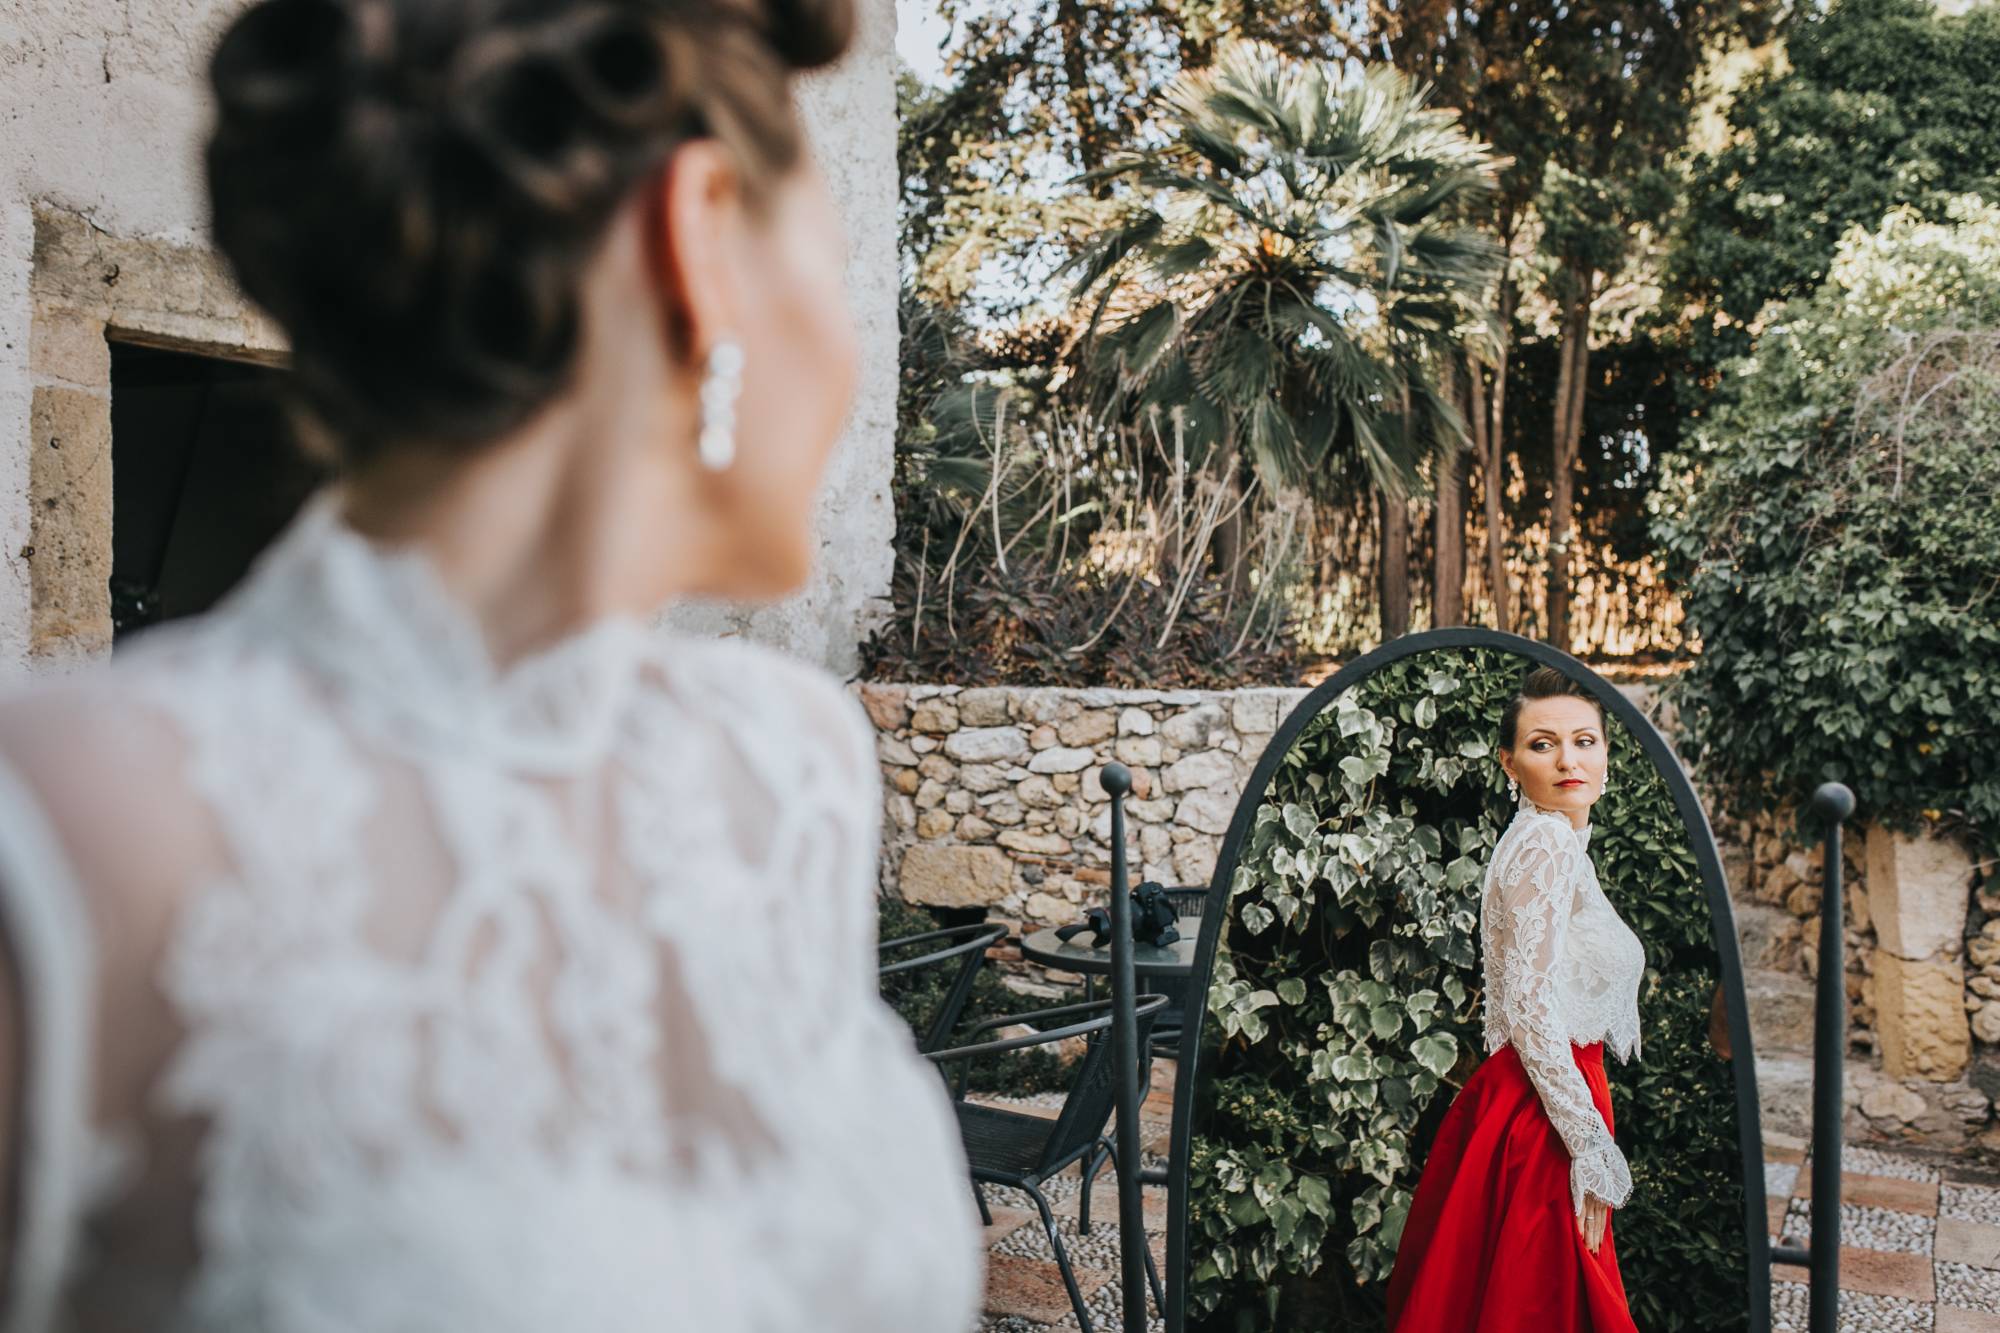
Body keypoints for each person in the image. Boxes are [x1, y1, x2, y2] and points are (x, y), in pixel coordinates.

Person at [0, 0, 984, 1328]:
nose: (853, 354)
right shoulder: (81, 829)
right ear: (699, 234)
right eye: (841, 261)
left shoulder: (789, 770)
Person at [1383, 665, 1645, 1333]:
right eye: (1542, 744)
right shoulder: (1547, 843)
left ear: (1605, 752)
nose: (1568, 761)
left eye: (1584, 741)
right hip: (1548, 1113)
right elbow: (1528, 1006)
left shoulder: (1551, 839)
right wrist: (1588, 1142)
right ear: (1509, 762)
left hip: (1540, 1097)